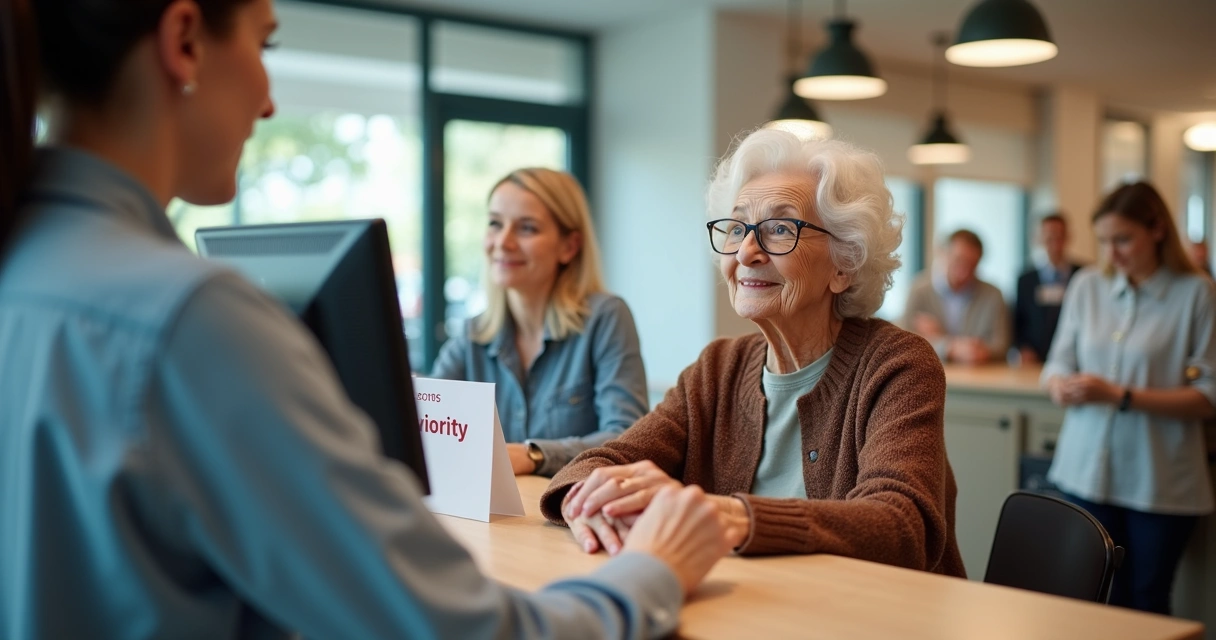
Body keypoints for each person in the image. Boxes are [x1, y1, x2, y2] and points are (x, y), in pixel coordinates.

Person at [0, 1, 732, 638]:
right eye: (266, 45)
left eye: (528, 228)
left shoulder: (27, 271)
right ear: (185, 40)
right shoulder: (191, 322)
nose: (268, 102)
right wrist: (653, 572)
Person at [537, 129, 966, 578]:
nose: (746, 251)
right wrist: (586, 499)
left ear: (845, 263)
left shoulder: (898, 364)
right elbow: (599, 463)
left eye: (780, 229)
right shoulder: (717, 369)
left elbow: (902, 527)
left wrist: (734, 516)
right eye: (738, 227)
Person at [1042, 181, 1216, 614]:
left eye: (1122, 240)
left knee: (1145, 600)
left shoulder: (1196, 293)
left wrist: (1120, 395)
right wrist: (1060, 385)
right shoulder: (1086, 286)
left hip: (1159, 479)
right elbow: (1056, 363)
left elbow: (1208, 396)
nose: (1111, 254)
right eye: (1103, 241)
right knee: (1090, 597)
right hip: (1085, 472)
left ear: (1157, 229)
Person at [430, 168, 648, 477]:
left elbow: (628, 437)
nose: (503, 242)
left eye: (527, 228)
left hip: (568, 514)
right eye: (495, 223)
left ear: (569, 247)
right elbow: (424, 425)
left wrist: (533, 454)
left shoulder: (606, 317)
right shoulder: (472, 335)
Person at [903, 229, 1009, 365]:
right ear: (944, 254)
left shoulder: (993, 295)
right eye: (959, 260)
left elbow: (1001, 346)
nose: (964, 272)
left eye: (972, 265)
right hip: (928, 373)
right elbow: (905, 341)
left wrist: (938, 338)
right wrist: (951, 348)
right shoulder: (919, 290)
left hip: (980, 378)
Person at [1013, 213, 1081, 364]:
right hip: (1034, 359)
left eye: (1059, 236)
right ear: (1039, 239)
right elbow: (1018, 320)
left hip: (1074, 359)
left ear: (1068, 237)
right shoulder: (1026, 279)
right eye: (1049, 237)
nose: (1055, 243)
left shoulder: (1082, 276)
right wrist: (1022, 348)